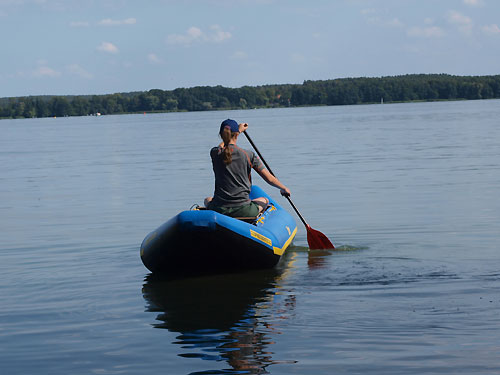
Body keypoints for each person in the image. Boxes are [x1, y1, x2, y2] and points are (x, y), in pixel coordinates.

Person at [204, 119, 291, 218]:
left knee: (207, 200)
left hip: (219, 209)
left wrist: (238, 131)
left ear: (221, 135)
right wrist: (283, 188)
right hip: (243, 211)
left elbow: (221, 147)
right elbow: (269, 179)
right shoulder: (248, 155)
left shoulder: (215, 153)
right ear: (236, 134)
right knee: (264, 200)